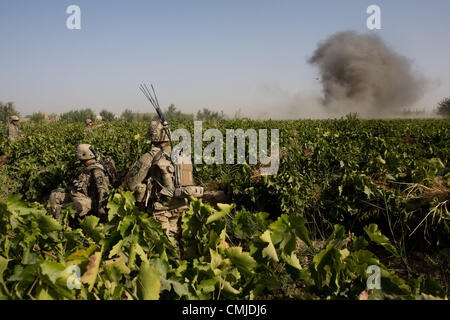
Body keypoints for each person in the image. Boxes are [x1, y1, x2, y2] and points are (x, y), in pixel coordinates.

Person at [127, 121, 189, 251]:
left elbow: (132, 184)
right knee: (175, 240)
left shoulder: (149, 157)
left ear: (151, 136)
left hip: (160, 208)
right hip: (179, 204)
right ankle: (177, 265)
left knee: (161, 246)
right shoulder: (180, 153)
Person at [49, 144, 110, 221]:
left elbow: (102, 190)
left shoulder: (97, 170)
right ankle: (52, 218)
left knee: (65, 209)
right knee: (54, 195)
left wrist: (101, 210)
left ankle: (59, 224)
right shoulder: (87, 167)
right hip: (79, 195)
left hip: (90, 201)